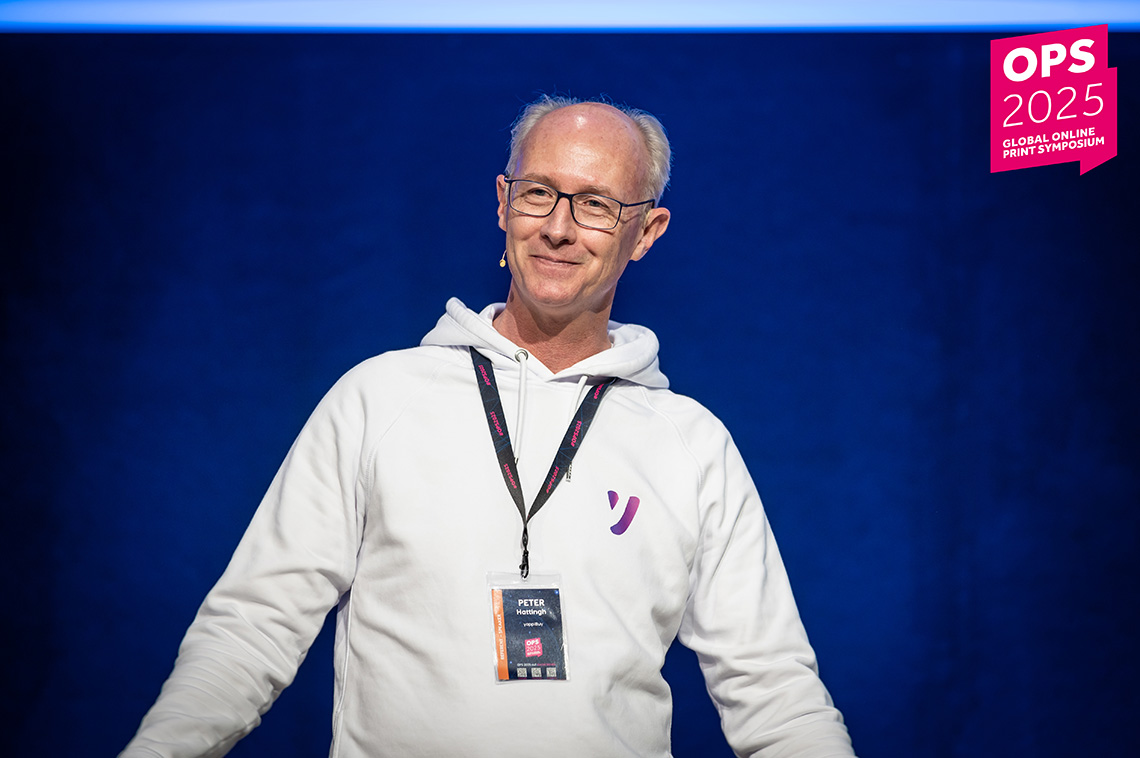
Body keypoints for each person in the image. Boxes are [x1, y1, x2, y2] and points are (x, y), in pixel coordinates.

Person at [121, 95, 856, 758]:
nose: (559, 229)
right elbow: (253, 628)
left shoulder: (690, 445)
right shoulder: (379, 398)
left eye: (596, 205)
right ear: (503, 203)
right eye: (539, 193)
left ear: (645, 231)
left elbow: (774, 692)